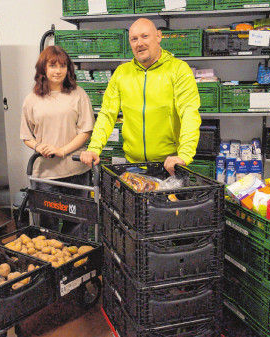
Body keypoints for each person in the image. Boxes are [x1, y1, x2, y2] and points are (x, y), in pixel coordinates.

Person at [80, 18, 201, 175]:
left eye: (145, 36)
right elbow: (107, 115)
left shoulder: (178, 70)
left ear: (158, 36)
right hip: (132, 165)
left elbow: (189, 113)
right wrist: (94, 148)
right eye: (134, 39)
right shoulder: (121, 73)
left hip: (169, 166)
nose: (139, 43)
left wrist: (184, 154)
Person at [20, 45, 95, 239]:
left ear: (68, 69)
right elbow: (27, 136)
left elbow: (86, 130)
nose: (58, 70)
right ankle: (53, 268)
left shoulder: (78, 94)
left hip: (76, 172)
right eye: (53, 65)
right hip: (46, 175)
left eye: (63, 66)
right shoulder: (32, 99)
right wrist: (38, 146)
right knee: (48, 229)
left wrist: (62, 150)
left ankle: (74, 266)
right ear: (43, 69)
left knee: (77, 225)